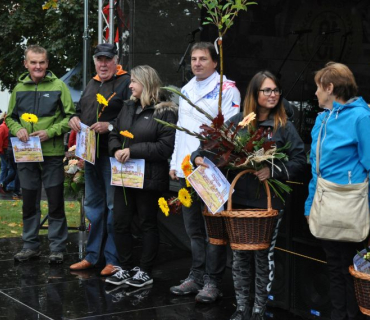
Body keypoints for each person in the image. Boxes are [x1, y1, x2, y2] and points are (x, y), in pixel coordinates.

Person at [193, 70, 306, 319]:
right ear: (255, 94)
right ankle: (242, 307)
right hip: (239, 202)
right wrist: (197, 157)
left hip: (268, 204)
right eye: (267, 90)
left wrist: (273, 170)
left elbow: (300, 159)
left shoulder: (284, 126)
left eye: (276, 90)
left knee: (263, 257)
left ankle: (258, 310)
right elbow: (207, 148)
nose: (273, 95)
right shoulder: (236, 123)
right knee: (240, 257)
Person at [169, 42, 241, 303]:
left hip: (212, 171)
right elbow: (180, 130)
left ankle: (213, 281)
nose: (197, 63)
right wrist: (175, 164)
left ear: (215, 63)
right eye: (193, 59)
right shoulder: (186, 89)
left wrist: (207, 159)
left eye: (202, 59)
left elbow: (229, 133)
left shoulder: (227, 89)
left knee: (215, 232)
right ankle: (196, 276)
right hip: (188, 170)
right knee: (193, 230)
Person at [305, 62, 370, 320]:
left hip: (352, 205)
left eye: (318, 88)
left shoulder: (361, 117)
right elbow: (316, 170)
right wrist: (310, 205)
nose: (315, 94)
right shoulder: (322, 118)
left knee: (350, 270)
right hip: (325, 204)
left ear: (330, 88)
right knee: (334, 267)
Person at [106, 65, 177, 287]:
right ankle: (126, 267)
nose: (130, 85)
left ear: (146, 82)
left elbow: (165, 147)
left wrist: (132, 150)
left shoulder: (165, 111)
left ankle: (145, 270)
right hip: (125, 176)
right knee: (120, 222)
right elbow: (114, 132)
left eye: (134, 81)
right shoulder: (127, 107)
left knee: (147, 223)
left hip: (149, 178)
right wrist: (115, 148)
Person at [6, 44, 75, 263]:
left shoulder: (59, 86)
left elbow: (70, 117)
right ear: (25, 64)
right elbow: (10, 118)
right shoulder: (18, 89)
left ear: (47, 64)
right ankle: (30, 246)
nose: (38, 66)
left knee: (54, 201)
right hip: (26, 153)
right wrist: (19, 130)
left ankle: (57, 247)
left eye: (42, 62)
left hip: (52, 153)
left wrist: (50, 132)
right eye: (33, 62)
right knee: (29, 200)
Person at [69, 43, 131, 276]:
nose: (103, 64)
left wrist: (112, 125)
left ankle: (113, 259)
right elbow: (79, 109)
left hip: (113, 155)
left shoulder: (126, 82)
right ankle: (93, 256)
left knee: (113, 208)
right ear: (94, 61)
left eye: (107, 59)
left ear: (116, 60)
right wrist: (74, 119)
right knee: (93, 208)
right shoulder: (92, 83)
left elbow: (132, 115)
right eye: (99, 59)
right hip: (90, 154)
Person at [0, 112, 9, 193]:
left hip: (7, 150)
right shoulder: (3, 127)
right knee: (5, 167)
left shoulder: (7, 126)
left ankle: (4, 185)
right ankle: (2, 183)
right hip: (4, 150)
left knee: (6, 168)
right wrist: (1, 150)